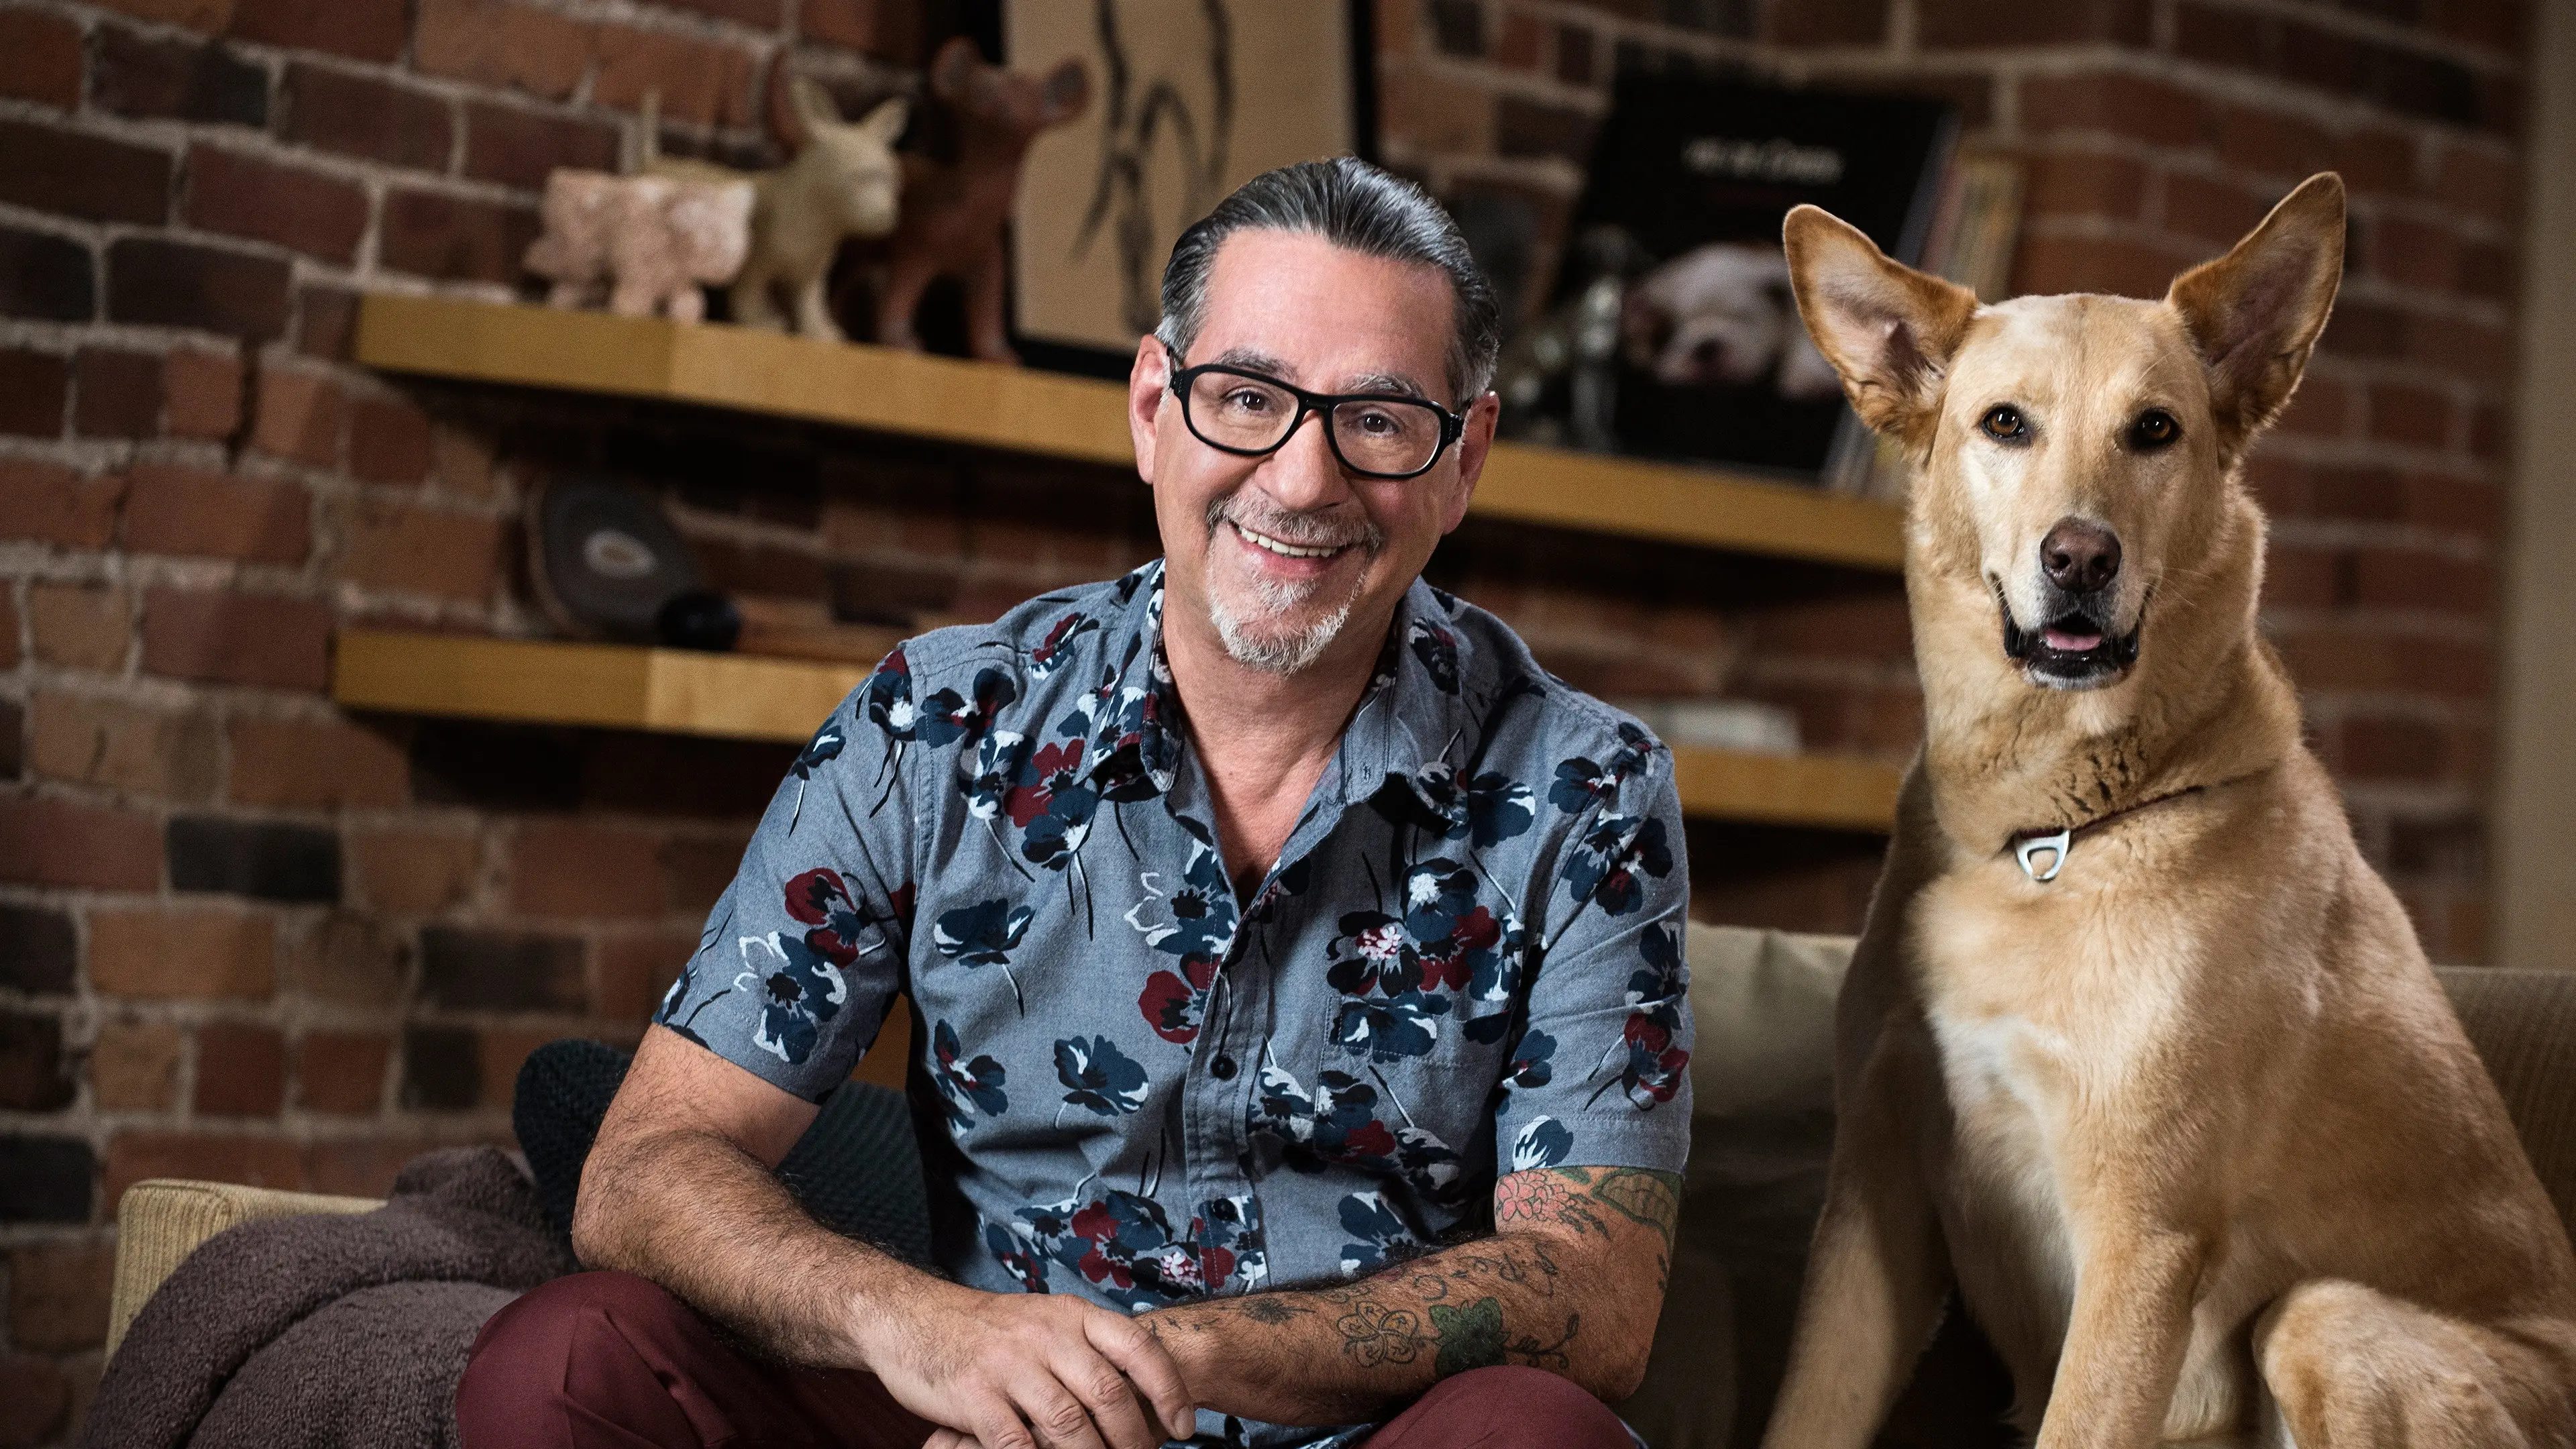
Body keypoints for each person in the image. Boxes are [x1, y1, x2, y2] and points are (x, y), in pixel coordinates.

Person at [457, 156, 1695, 1449]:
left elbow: (1594, 1295)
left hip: (1341, 1439)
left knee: (1533, 1434)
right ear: (1154, 407)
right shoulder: (938, 726)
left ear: (1462, 462)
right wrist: (920, 1328)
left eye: (1377, 422)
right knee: (567, 1359)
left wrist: (1134, 1370)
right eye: (1246, 398)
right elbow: (645, 1170)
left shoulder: (1585, 787)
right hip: (966, 1418)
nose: (1301, 479)